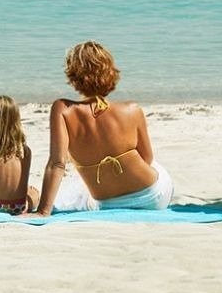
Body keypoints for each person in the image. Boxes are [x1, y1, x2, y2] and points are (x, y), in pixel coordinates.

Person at [33, 40, 171, 216]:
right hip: (152, 197)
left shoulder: (63, 110)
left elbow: (57, 163)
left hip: (106, 204)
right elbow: (147, 158)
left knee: (76, 189)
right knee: (156, 167)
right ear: (110, 72)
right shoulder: (132, 109)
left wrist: (43, 211)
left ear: (73, 75)